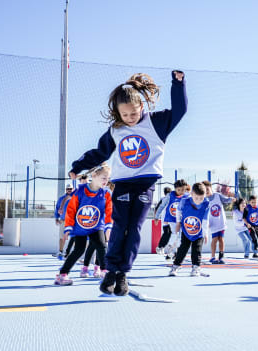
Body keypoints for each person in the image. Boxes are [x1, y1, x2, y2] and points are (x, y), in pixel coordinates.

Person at [68, 71, 187, 295]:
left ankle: (123, 274)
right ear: (117, 112)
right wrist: (78, 166)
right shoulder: (116, 130)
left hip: (145, 185)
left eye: (133, 112)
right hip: (122, 185)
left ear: (142, 106)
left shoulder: (157, 123)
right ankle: (111, 270)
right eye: (124, 114)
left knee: (134, 229)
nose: (130, 117)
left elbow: (180, 111)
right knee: (119, 227)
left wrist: (178, 85)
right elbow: (99, 152)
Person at [54, 163, 113, 286]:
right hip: (80, 228)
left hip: (96, 226)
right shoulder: (80, 191)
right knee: (79, 250)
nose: (106, 181)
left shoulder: (106, 194)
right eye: (104, 178)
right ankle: (62, 275)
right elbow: (71, 209)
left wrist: (108, 227)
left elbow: (109, 212)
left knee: (102, 246)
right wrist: (68, 228)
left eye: (107, 179)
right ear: (94, 175)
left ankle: (104, 271)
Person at [168, 183, 210, 277]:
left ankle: (196, 267)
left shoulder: (206, 204)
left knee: (197, 250)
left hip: (199, 232)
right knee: (182, 249)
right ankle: (175, 266)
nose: (199, 201)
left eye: (201, 198)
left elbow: (205, 220)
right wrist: (178, 223)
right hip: (186, 231)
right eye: (196, 198)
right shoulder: (184, 201)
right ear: (192, 194)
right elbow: (178, 211)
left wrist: (205, 233)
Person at [154, 180, 188, 259]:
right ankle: (170, 247)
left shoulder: (187, 196)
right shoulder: (170, 196)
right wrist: (156, 216)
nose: (181, 192)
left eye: (183, 190)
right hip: (171, 219)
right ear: (175, 189)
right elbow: (162, 206)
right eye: (179, 190)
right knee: (176, 234)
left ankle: (172, 253)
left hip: (182, 220)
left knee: (180, 237)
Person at [203, 180, 235, 264]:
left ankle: (221, 256)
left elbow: (226, 200)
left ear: (210, 188)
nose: (206, 191)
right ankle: (212, 257)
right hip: (212, 223)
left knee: (221, 239)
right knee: (214, 239)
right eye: (204, 190)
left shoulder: (217, 195)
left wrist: (231, 199)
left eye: (207, 189)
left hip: (221, 221)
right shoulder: (204, 200)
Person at [53, 184, 73, 260]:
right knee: (62, 237)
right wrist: (56, 218)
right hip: (63, 221)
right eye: (68, 189)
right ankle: (60, 251)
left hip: (73, 222)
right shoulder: (61, 199)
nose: (69, 190)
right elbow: (57, 209)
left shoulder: (75, 198)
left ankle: (72, 253)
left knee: (74, 238)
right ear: (66, 189)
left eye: (70, 189)